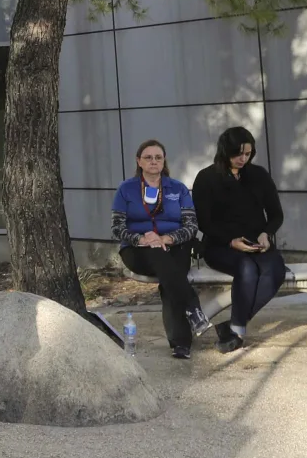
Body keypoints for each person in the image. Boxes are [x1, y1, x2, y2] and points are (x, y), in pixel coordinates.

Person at [110, 140, 208, 359]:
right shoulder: (126, 189)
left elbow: (191, 226)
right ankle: (193, 309)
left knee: (170, 275)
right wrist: (141, 239)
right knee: (159, 256)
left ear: (164, 162)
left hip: (175, 246)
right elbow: (116, 228)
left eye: (158, 157)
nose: (153, 161)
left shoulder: (178, 188)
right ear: (139, 161)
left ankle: (181, 345)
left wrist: (168, 238)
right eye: (148, 157)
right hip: (137, 250)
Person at [191, 126, 285, 353]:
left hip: (256, 244)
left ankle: (234, 325)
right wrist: (230, 241)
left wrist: (266, 233)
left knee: (276, 271)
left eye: (248, 154)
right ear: (225, 151)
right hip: (220, 245)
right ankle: (238, 333)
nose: (243, 159)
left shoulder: (259, 175)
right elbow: (204, 222)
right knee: (247, 269)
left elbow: (275, 215)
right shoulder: (206, 178)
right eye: (238, 154)